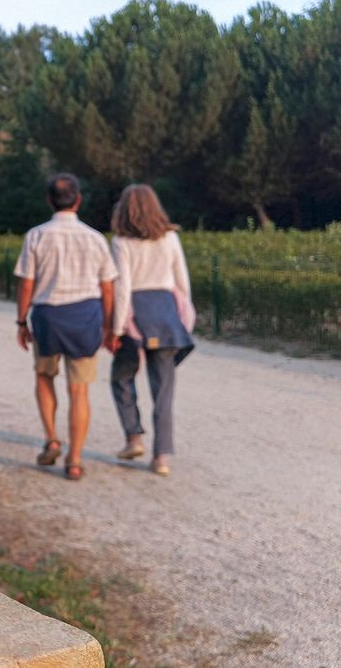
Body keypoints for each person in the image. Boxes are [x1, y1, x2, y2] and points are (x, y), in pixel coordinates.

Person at [15, 174, 117, 481]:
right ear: (78, 200)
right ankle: (74, 460)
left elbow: (26, 284)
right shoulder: (96, 238)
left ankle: (52, 438)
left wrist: (21, 321)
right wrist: (109, 326)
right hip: (85, 317)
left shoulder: (36, 236)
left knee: (44, 376)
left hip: (47, 317)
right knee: (80, 390)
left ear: (49, 200)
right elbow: (108, 288)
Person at [105, 184, 195, 477]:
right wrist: (184, 318)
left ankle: (134, 437)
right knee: (164, 390)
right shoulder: (170, 237)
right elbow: (182, 282)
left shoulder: (121, 242)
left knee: (121, 377)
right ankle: (161, 458)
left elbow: (123, 288)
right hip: (167, 314)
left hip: (135, 317)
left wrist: (116, 329)